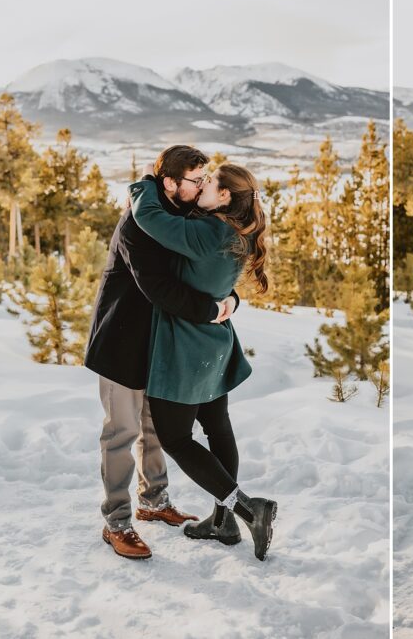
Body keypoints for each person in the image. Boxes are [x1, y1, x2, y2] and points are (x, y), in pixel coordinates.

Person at [86, 144, 240, 560]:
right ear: (170, 183)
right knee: (121, 433)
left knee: (154, 429)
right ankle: (117, 522)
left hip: (161, 345)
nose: (202, 185)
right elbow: (160, 288)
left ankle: (153, 501)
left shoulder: (182, 215)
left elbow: (203, 271)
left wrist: (230, 299)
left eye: (205, 178)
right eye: (195, 180)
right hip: (122, 342)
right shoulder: (138, 224)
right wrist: (211, 311)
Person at [128, 162, 278, 562]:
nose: (204, 184)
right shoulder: (237, 231)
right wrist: (231, 301)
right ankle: (223, 522)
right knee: (217, 427)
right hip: (215, 343)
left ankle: (248, 509)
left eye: (209, 182)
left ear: (225, 195)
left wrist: (145, 183)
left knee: (176, 438)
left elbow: (149, 217)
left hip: (187, 346)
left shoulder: (209, 231)